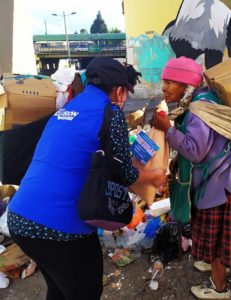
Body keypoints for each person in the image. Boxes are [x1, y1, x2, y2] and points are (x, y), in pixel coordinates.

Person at [7, 57, 166, 300]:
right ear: (120, 91)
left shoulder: (66, 110)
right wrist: (154, 175)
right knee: (86, 291)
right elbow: (125, 173)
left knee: (60, 289)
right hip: (59, 225)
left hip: (20, 218)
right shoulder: (110, 113)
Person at [152, 56, 231, 300]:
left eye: (170, 82)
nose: (164, 87)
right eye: (164, 81)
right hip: (227, 178)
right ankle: (216, 266)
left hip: (218, 186)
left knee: (218, 239)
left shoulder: (200, 111)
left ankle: (219, 288)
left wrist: (168, 129)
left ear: (187, 85)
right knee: (220, 235)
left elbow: (196, 151)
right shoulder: (204, 99)